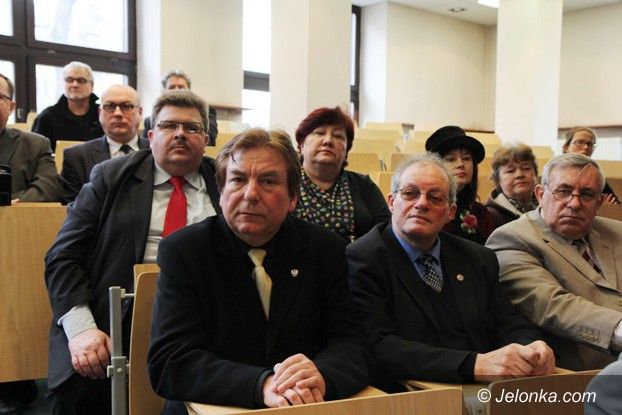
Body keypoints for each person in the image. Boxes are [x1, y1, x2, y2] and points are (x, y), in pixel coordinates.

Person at [148, 128, 368, 412]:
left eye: (268, 181)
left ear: (292, 198)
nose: (250, 194)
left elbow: (350, 343)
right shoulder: (185, 251)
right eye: (238, 180)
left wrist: (321, 376)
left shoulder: (325, 249)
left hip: (302, 405)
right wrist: (261, 384)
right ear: (221, 193)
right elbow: (171, 360)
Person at [44, 90, 222, 415]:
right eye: (169, 126)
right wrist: (82, 329)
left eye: (192, 128)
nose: (180, 134)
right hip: (114, 321)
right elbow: (63, 256)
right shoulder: (110, 177)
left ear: (206, 140)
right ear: (150, 136)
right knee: (78, 394)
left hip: (204, 324)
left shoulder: (225, 183)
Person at [346, 153, 554, 392]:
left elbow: (507, 321)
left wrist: (532, 346)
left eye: (435, 197)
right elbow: (378, 345)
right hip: (411, 392)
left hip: (488, 387)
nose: (422, 204)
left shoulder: (477, 258)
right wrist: (475, 364)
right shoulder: (365, 258)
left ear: (450, 212)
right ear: (392, 202)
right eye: (410, 193)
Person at [486, 153, 622, 370]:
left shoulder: (616, 232)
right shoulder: (511, 239)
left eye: (587, 194)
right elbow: (551, 305)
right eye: (564, 191)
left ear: (599, 203)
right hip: (580, 372)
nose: (574, 203)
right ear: (540, 194)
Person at [292, 106, 390, 243]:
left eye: (338, 136)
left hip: (358, 256)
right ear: (302, 145)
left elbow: (386, 233)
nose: (328, 141)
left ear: (346, 151)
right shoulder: (288, 184)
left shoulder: (364, 186)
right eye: (320, 133)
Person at [61, 84, 149, 203]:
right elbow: (72, 208)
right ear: (100, 113)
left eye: (126, 106)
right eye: (110, 106)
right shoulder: (77, 157)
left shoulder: (156, 151)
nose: (117, 113)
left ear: (140, 112)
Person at [425, 125, 495, 244]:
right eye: (451, 159)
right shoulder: (424, 207)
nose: (461, 164)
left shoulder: (480, 213)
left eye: (466, 158)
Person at [0, 72, 62, 204]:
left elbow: (47, 190)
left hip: (17, 216)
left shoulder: (36, 145)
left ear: (11, 107)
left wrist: (5, 204)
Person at [32, 61, 104, 151]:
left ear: (91, 85)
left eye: (81, 80)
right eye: (69, 80)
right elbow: (35, 152)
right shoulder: (47, 117)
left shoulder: (103, 114)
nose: (75, 85)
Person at [142, 70, 218, 145]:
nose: (177, 90)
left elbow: (209, 139)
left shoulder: (206, 112)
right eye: (172, 87)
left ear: (189, 91)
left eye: (181, 87)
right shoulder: (150, 121)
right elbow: (146, 145)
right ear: (164, 91)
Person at [485, 144, 539, 227]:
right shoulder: (490, 216)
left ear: (535, 174)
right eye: (510, 171)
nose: (519, 175)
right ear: (497, 179)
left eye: (526, 168)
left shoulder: (547, 206)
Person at [562, 126, 619, 205]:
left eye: (590, 144)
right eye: (580, 142)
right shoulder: (556, 171)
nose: (586, 147)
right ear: (566, 147)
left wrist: (606, 207)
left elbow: (614, 204)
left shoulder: (596, 175)